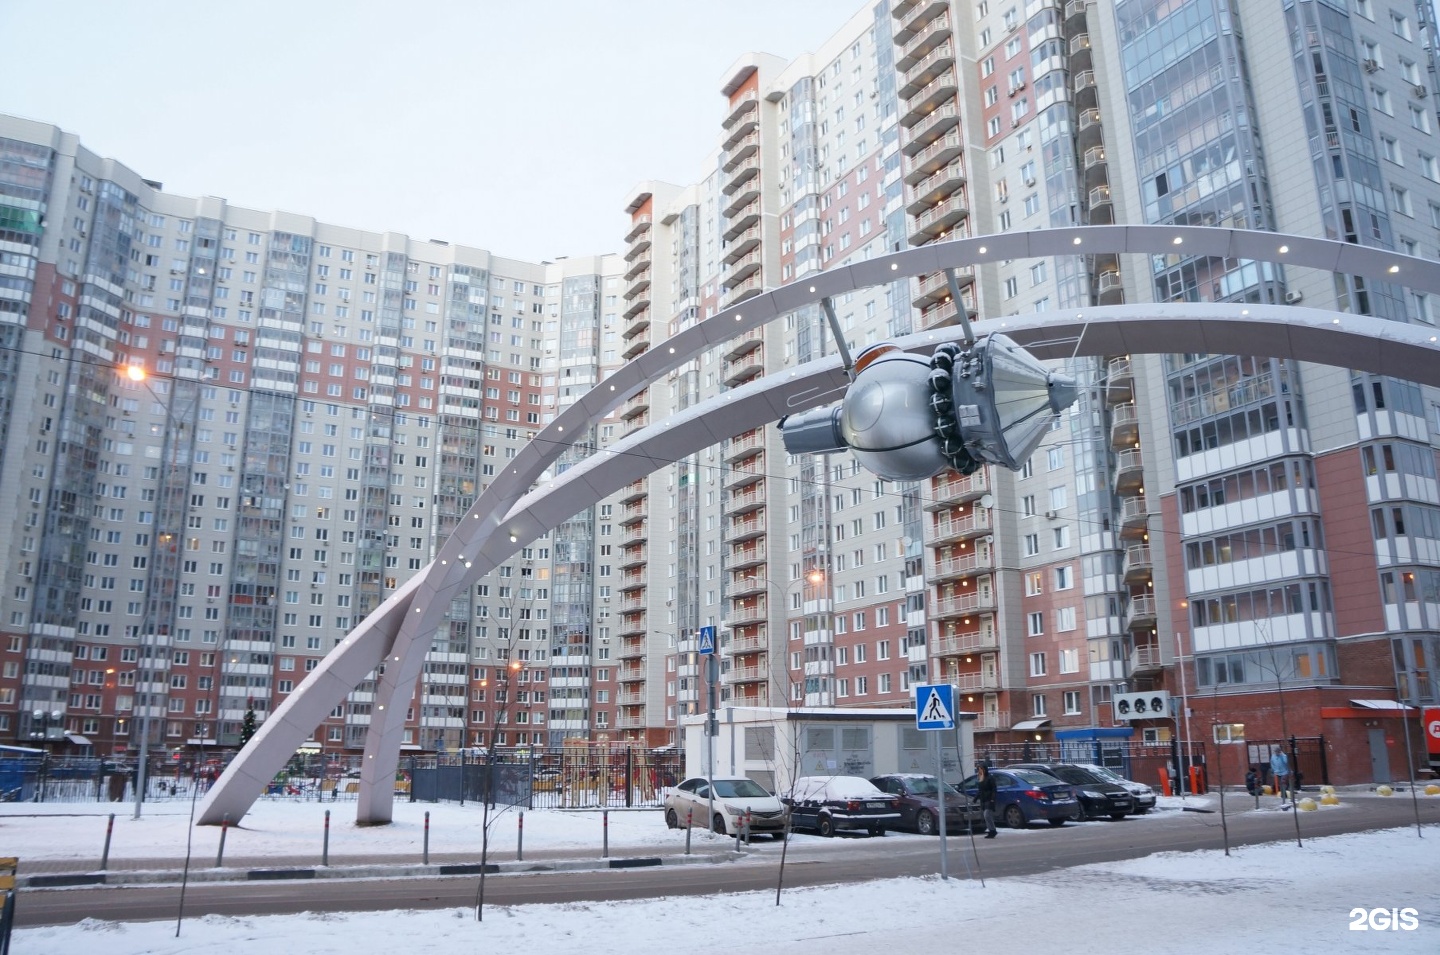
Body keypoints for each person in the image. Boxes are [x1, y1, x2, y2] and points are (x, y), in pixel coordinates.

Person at [976, 763, 999, 838]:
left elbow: (994, 789)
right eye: (978, 769)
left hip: (989, 799)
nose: (979, 771)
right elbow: (980, 790)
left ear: (984, 769)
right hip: (983, 799)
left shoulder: (990, 778)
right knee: (987, 816)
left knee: (987, 815)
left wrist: (992, 798)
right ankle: (992, 830)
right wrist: (975, 798)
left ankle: (992, 830)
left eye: (981, 769)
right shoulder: (980, 778)